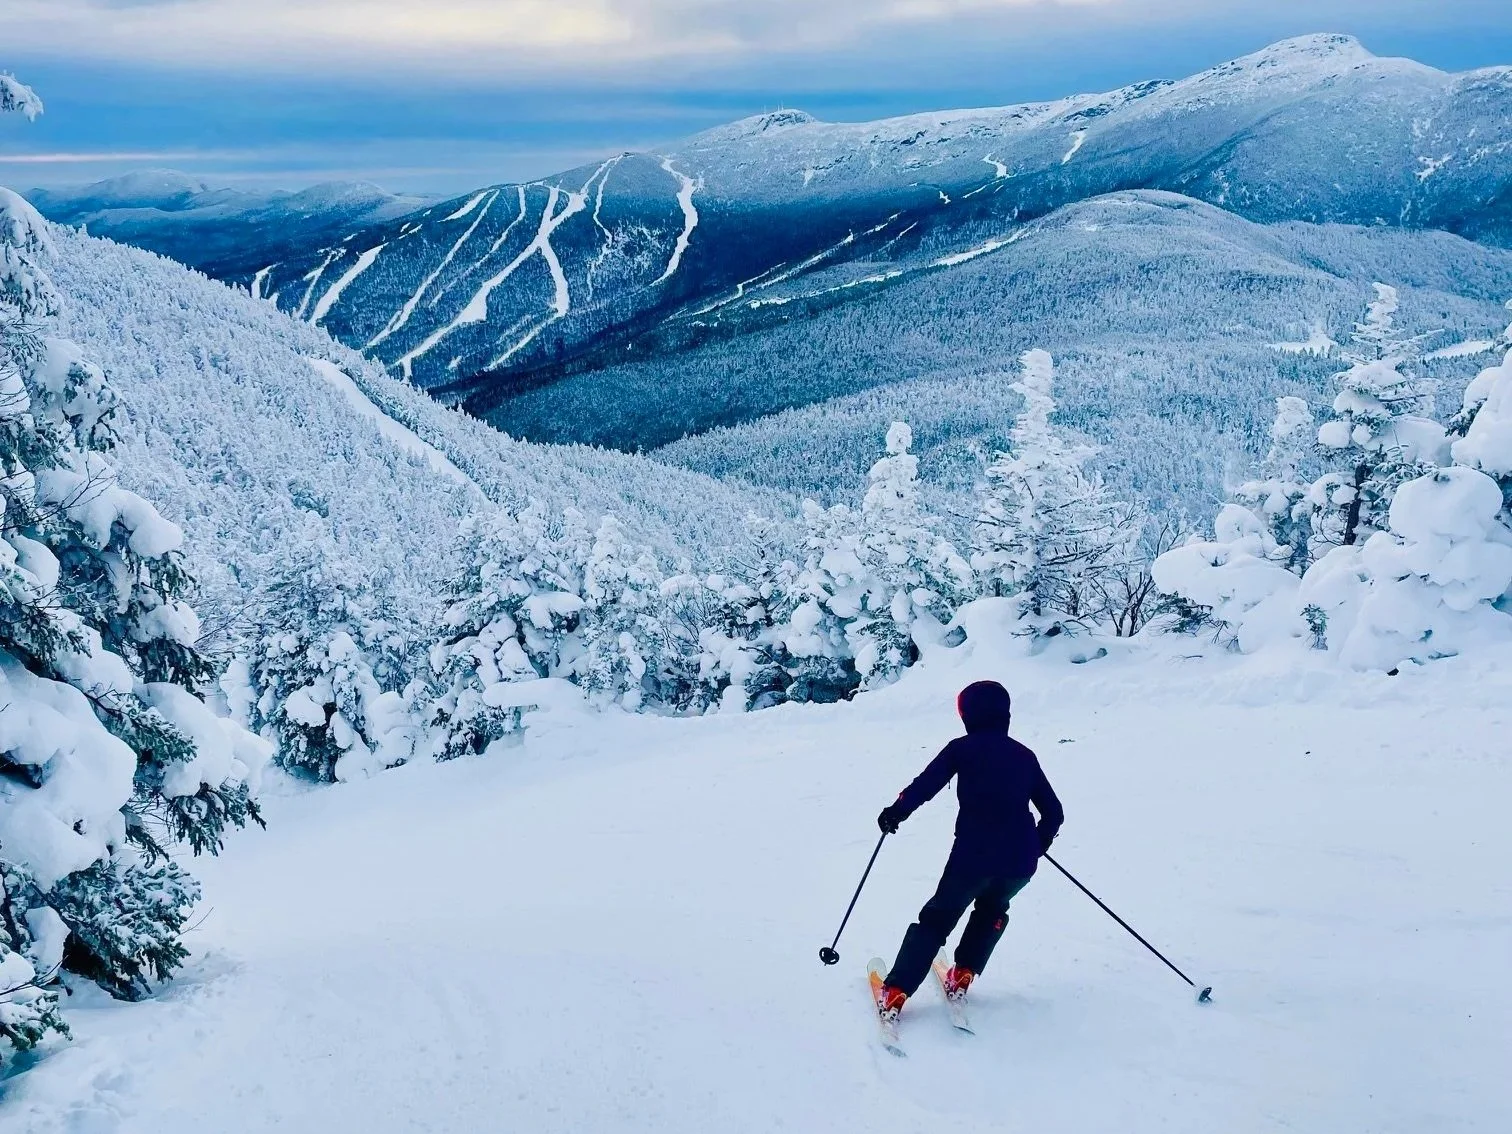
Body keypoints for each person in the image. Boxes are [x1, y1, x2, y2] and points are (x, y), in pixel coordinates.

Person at [875, 679, 1063, 1018]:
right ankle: (963, 974)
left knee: (937, 919)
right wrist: (1037, 844)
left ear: (969, 715)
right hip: (1019, 863)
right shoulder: (1024, 756)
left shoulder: (961, 749)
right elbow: (1054, 813)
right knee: (992, 911)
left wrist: (896, 812)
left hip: (972, 858)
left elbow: (925, 785)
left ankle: (896, 991)